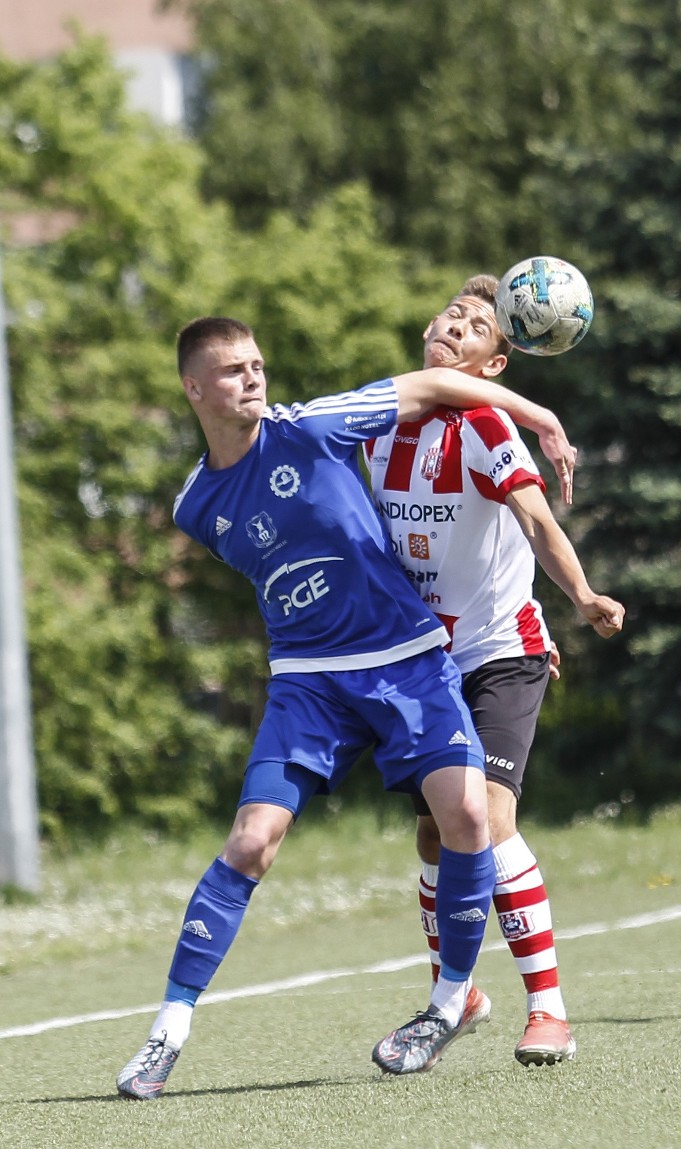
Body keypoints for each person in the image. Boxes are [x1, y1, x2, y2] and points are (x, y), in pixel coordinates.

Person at [116, 315, 579, 1098]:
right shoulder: (194, 504)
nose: (254, 378)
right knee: (252, 841)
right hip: (309, 682)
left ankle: (446, 1004)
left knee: (468, 817)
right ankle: (168, 1030)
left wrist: (538, 414)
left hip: (408, 664)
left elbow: (434, 387)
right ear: (194, 388)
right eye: (233, 370)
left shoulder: (314, 424)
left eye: (258, 363)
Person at [365, 276, 625, 1069]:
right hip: (421, 662)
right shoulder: (373, 423)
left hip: (503, 652)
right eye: (453, 313)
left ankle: (548, 1010)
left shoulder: (483, 427)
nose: (457, 324)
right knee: (433, 835)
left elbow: (538, 521)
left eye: (478, 325)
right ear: (427, 328)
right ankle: (462, 992)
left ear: (496, 363)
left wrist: (581, 594)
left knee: (490, 820)